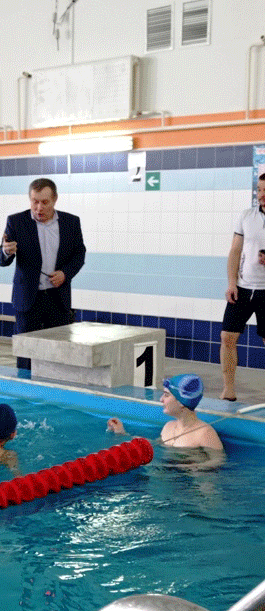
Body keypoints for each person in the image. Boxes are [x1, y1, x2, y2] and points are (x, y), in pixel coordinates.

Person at [0, 178, 85, 369]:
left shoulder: (71, 223)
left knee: (58, 352)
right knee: (26, 353)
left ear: (55, 200)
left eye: (45, 202)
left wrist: (65, 273)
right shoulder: (16, 222)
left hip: (57, 298)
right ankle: (24, 386)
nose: (39, 208)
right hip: (28, 299)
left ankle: (55, 385)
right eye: (35, 201)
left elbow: (79, 254)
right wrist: (6, 251)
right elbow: (0, 259)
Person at [107, 374, 224, 470]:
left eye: (166, 395)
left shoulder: (204, 433)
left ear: (181, 402)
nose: (161, 399)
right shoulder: (168, 427)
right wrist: (122, 433)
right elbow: (156, 444)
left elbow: (219, 460)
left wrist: (196, 467)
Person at [220, 172, 265, 401]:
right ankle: (228, 390)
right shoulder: (247, 216)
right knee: (227, 337)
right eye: (259, 190)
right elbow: (235, 251)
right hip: (243, 288)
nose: (261, 195)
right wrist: (232, 283)